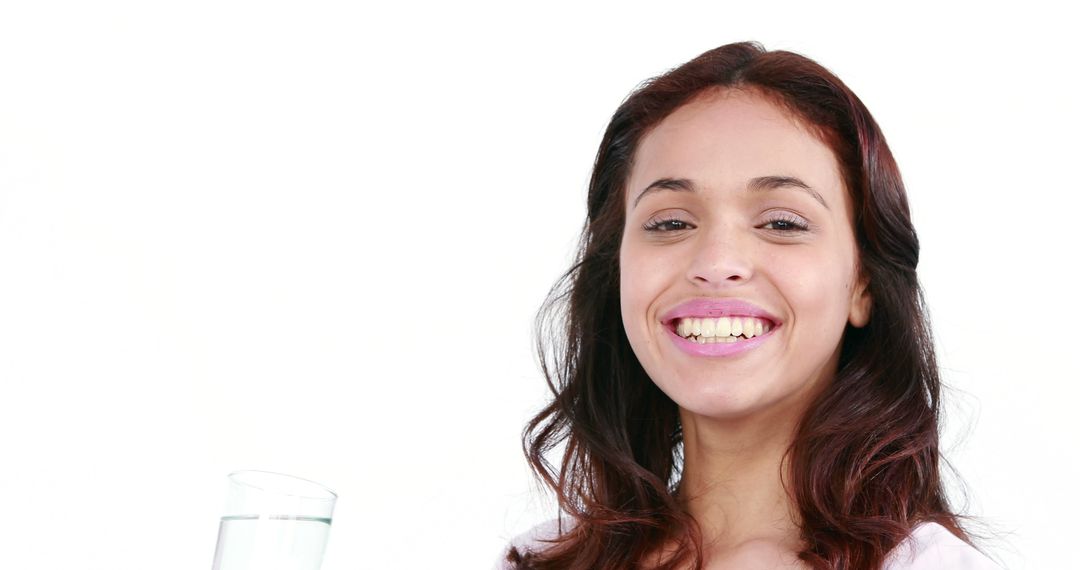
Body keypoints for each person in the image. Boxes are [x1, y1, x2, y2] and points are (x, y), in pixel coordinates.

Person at [494, 41, 1002, 570]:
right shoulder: (541, 559)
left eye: (782, 223)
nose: (716, 262)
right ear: (616, 269)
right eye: (670, 223)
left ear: (863, 284)